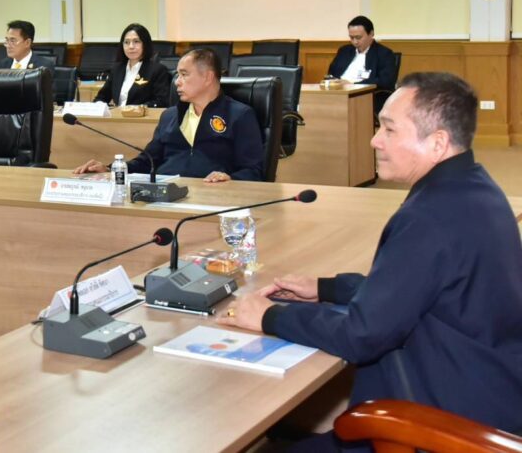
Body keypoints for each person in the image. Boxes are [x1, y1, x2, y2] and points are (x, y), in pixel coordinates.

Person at [219, 72, 522, 446]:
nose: (375, 140)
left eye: (389, 129)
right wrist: (326, 288)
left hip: (444, 421)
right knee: (286, 428)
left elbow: (361, 336)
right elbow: (417, 289)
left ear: (438, 143)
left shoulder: (429, 216)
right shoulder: (476, 188)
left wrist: (269, 316)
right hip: (489, 387)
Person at [73, 48, 263, 182]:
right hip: (165, 194)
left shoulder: (239, 115)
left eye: (184, 74)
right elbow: (148, 161)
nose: (177, 82)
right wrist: (110, 169)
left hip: (211, 195)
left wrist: (230, 178)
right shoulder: (170, 116)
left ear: (208, 77)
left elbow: (254, 171)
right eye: (177, 75)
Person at [93, 23, 171, 107]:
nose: (131, 46)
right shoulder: (117, 69)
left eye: (136, 41)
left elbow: (161, 102)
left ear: (145, 44)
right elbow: (101, 97)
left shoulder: (158, 70)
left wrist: (138, 108)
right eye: (126, 42)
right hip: (117, 114)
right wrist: (100, 105)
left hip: (142, 115)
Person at [327, 15, 397, 91]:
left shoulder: (384, 54)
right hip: (337, 91)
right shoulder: (344, 51)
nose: (355, 42)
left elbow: (385, 82)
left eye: (358, 37)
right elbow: (330, 75)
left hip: (365, 93)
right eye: (351, 37)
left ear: (371, 34)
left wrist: (353, 84)